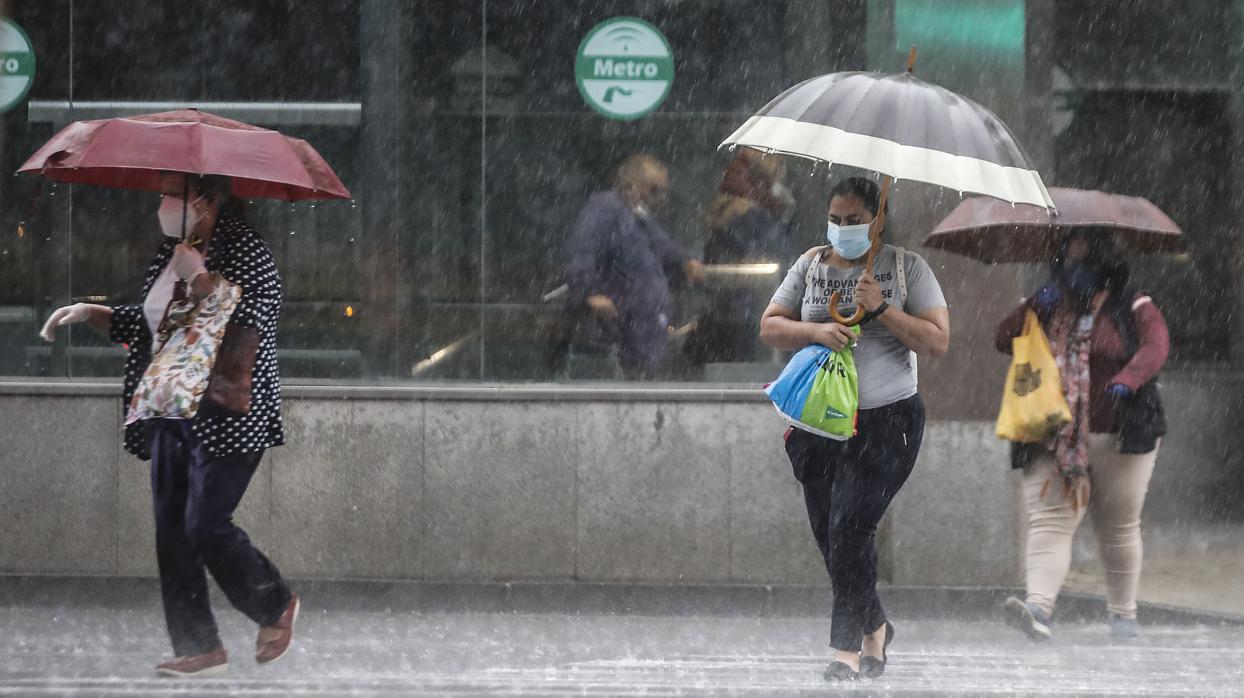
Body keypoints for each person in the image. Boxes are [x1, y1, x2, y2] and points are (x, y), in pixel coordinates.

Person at [39, 173, 298, 678]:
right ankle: (198, 646)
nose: (164, 204)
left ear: (205, 199)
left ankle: (274, 604)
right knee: (173, 532)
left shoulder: (246, 250)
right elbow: (155, 324)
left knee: (205, 524)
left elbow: (254, 318)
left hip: (226, 410)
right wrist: (93, 312)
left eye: (174, 194)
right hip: (170, 406)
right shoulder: (173, 250)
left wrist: (202, 279)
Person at [760, 176, 950, 681]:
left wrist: (883, 310)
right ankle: (876, 627)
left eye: (854, 220)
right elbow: (771, 324)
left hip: (888, 422)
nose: (843, 228)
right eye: (836, 219)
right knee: (830, 535)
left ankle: (845, 649)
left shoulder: (906, 268)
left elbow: (937, 341)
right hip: (818, 422)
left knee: (850, 528)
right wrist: (816, 330)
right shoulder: (810, 265)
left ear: (878, 219)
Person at [994, 230, 1169, 641]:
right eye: (1068, 261)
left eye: (1085, 262)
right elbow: (1004, 338)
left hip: (1121, 436)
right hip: (1051, 434)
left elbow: (1156, 345)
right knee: (1050, 520)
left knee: (1118, 525)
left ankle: (1124, 615)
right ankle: (1039, 608)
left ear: (1106, 264)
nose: (1076, 271)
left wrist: (1129, 378)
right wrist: (1037, 303)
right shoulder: (1048, 302)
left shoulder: (1134, 304)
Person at [564, 154, 705, 379]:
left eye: (663, 192)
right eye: (654, 190)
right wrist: (591, 294)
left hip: (642, 331)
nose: (660, 198)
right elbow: (581, 252)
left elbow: (663, 245)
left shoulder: (638, 216)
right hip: (618, 331)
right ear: (630, 186)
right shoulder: (606, 208)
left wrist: (686, 260)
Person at [685, 148, 796, 367]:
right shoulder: (750, 218)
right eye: (777, 180)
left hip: (727, 319)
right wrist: (784, 215)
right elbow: (782, 260)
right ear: (762, 183)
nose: (781, 188)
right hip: (749, 321)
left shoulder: (734, 216)